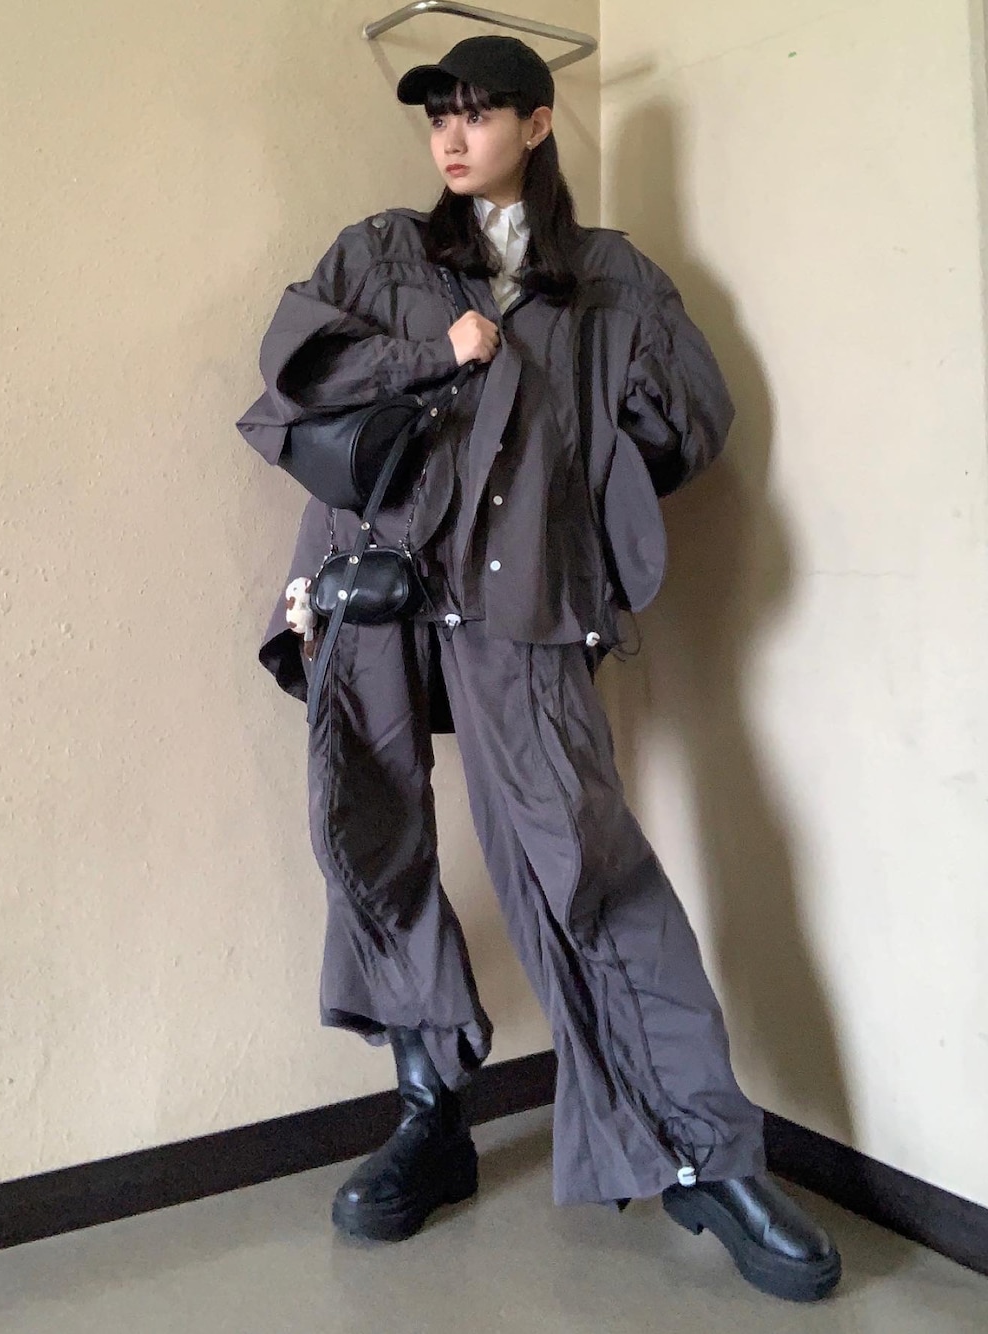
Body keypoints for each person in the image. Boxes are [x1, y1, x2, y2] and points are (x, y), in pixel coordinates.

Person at [236, 34, 841, 1304]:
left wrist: (571, 485)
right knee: (372, 831)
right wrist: (433, 351)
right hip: (372, 581)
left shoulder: (610, 277)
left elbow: (688, 419)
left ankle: (705, 1152)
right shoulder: (380, 253)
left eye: (478, 113)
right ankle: (429, 1115)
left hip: (516, 601)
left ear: (540, 122)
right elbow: (294, 368)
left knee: (585, 857)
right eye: (437, 118)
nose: (452, 138)